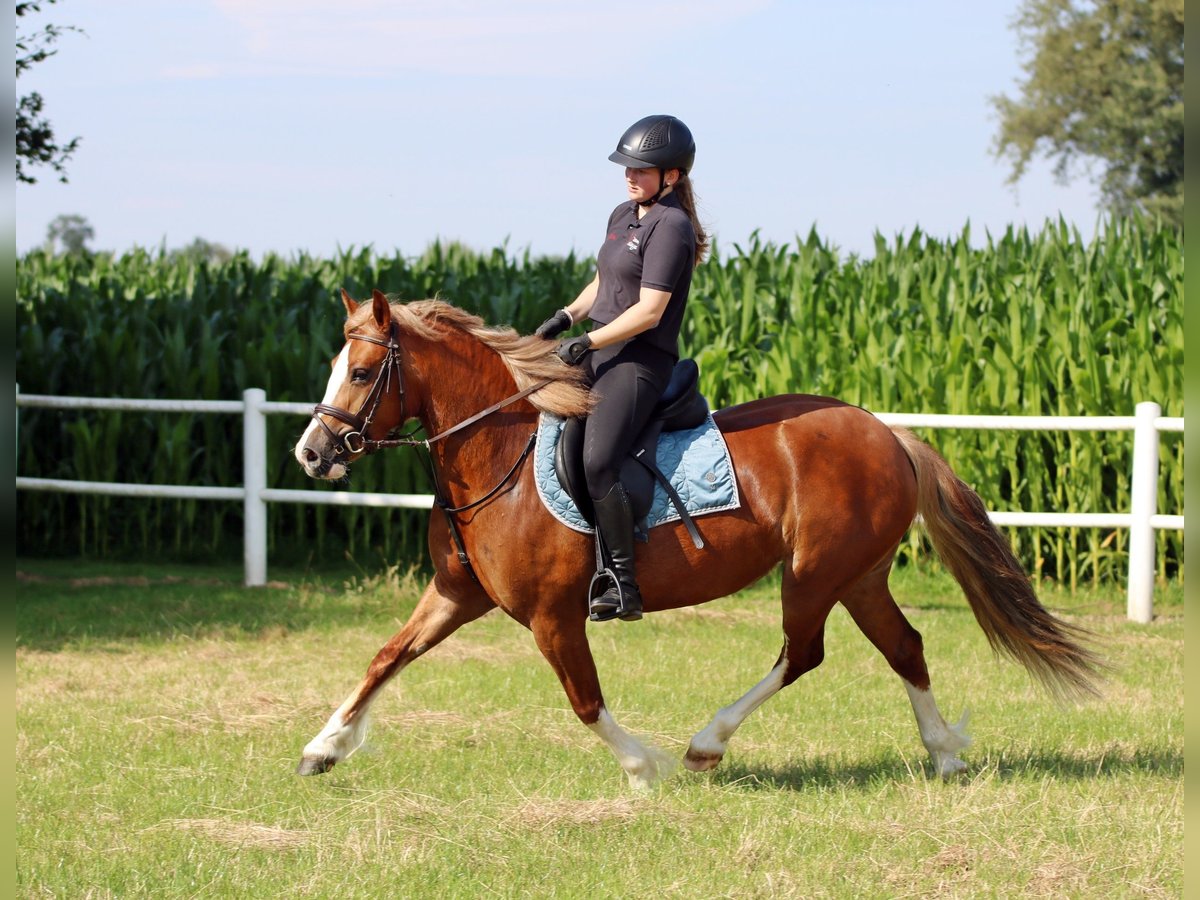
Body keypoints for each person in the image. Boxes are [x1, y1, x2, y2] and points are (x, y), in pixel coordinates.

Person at [533, 114, 709, 623]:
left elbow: (648, 311)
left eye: (641, 169)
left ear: (672, 175)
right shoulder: (622, 213)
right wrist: (566, 316)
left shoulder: (672, 226)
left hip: (640, 361)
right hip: (602, 349)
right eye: (626, 167)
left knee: (598, 461)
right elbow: (603, 283)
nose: (629, 175)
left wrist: (585, 341)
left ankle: (622, 584)